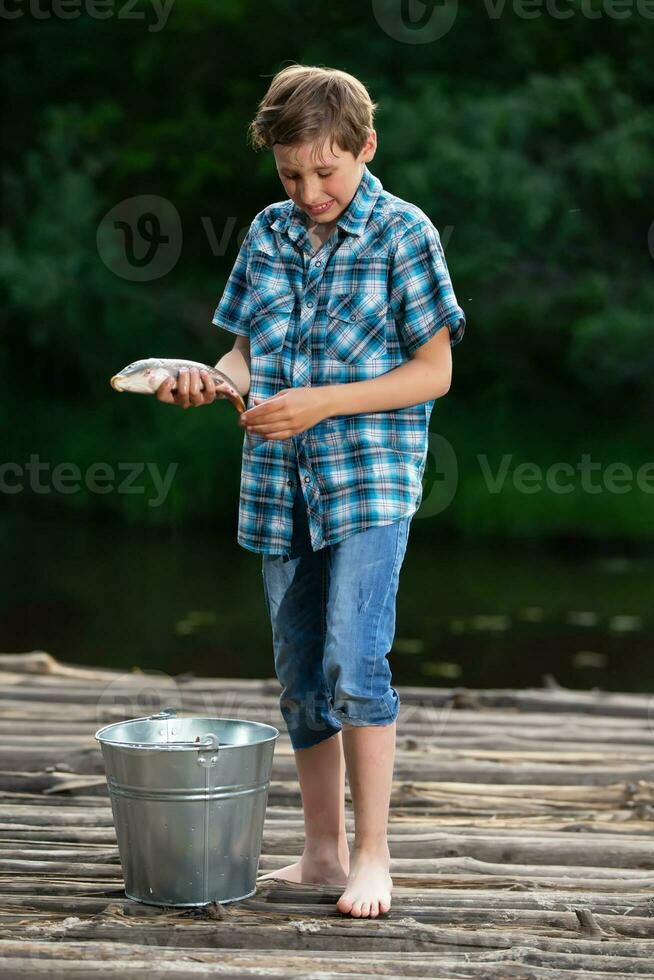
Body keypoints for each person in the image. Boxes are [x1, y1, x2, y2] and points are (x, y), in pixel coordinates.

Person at [156, 64, 466, 919]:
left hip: (369, 485)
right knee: (300, 676)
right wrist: (207, 380)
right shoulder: (267, 231)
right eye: (292, 174)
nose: (309, 190)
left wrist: (323, 402)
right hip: (277, 487)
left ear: (365, 148)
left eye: (326, 172)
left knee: (354, 663)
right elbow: (244, 356)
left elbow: (433, 371)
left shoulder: (405, 233)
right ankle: (322, 851)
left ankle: (374, 855)